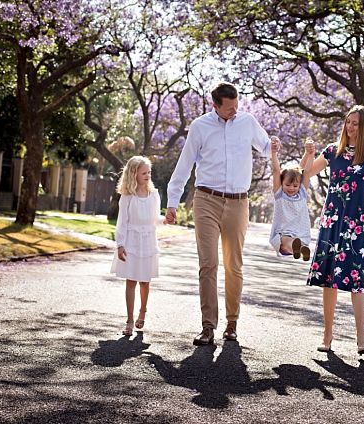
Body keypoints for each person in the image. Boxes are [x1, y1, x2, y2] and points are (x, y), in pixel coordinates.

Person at [165, 82, 275, 346]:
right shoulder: (200, 127)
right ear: (215, 105)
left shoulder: (247, 122)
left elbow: (268, 148)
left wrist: (277, 147)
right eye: (229, 108)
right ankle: (207, 326)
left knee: (233, 265)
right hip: (206, 200)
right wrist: (172, 201)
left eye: (237, 105)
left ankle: (232, 323)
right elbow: (185, 165)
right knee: (208, 263)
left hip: (238, 202)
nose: (234, 111)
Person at [305, 105, 364, 354]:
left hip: (357, 226)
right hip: (332, 223)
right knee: (330, 280)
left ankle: (362, 338)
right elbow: (305, 176)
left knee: (357, 281)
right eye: (348, 122)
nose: (350, 127)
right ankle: (327, 336)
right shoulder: (331, 153)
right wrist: (308, 155)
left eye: (356, 123)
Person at [111, 156, 161, 336]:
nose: (148, 175)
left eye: (149, 172)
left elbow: (156, 220)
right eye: (144, 173)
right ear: (134, 174)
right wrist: (120, 244)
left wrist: (168, 220)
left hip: (148, 240)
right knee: (131, 281)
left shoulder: (154, 194)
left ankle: (143, 312)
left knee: (145, 282)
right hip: (131, 241)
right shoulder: (127, 196)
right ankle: (130, 320)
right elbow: (122, 222)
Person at [269, 138, 316, 260]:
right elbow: (276, 171)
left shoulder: (302, 194)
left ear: (299, 185)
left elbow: (306, 172)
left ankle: (298, 249)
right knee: (288, 240)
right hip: (289, 234)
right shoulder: (280, 194)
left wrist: (311, 154)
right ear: (281, 183)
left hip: (296, 232)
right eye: (288, 185)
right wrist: (273, 153)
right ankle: (299, 249)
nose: (291, 188)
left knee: (289, 241)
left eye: (295, 186)